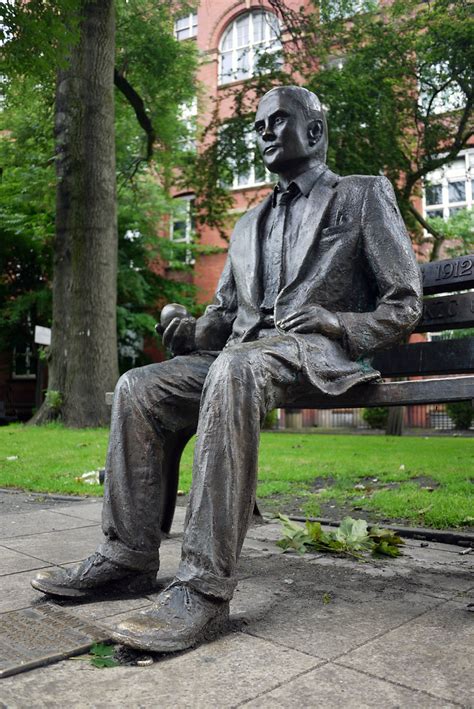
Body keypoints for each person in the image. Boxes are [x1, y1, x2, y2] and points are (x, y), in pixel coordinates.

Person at [31, 86, 422, 652]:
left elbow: (405, 304)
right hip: (237, 354)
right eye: (258, 126)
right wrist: (186, 329)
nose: (262, 133)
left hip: (312, 351)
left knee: (234, 369)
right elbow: (221, 321)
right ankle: (127, 557)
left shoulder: (361, 196)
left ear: (314, 132)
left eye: (277, 122)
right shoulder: (248, 223)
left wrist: (339, 324)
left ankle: (203, 589)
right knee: (139, 386)